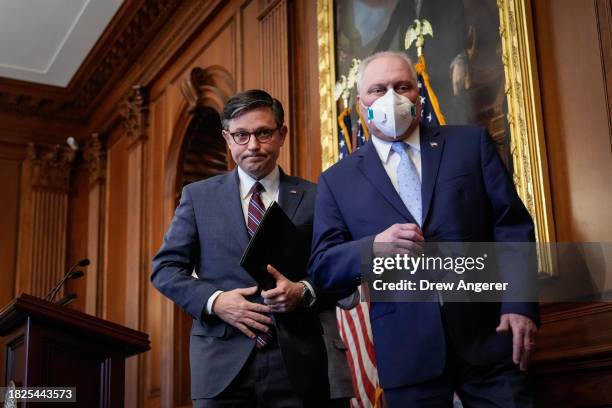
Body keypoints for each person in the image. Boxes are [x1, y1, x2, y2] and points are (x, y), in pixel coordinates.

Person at [309, 51, 539, 407]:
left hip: (491, 337)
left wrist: (520, 305)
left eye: (402, 86)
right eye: (378, 89)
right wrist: (372, 249)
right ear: (360, 103)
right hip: (408, 353)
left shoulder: (469, 145)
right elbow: (323, 266)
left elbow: (511, 228)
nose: (391, 98)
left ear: (418, 93)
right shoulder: (336, 181)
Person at [152, 89, 353, 407]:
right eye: (241, 135)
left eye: (263, 133)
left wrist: (304, 290)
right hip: (221, 364)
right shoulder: (198, 197)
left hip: (302, 363)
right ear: (227, 139)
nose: (253, 146)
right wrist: (215, 302)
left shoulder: (318, 198)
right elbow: (164, 270)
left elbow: (342, 271)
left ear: (282, 134)